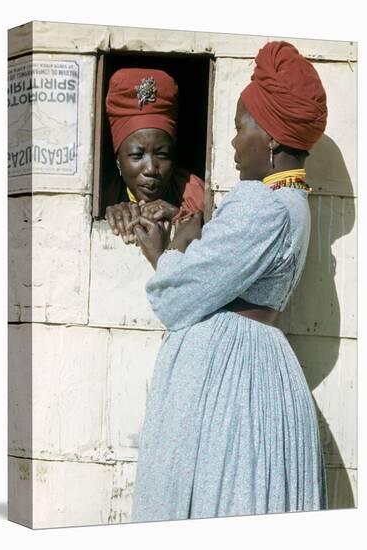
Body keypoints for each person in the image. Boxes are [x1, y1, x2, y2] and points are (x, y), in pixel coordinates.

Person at [128, 41, 328, 521]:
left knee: (214, 495)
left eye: (241, 129)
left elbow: (178, 296)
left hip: (228, 378)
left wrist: (168, 247)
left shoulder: (260, 204)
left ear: (272, 138)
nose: (235, 143)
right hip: (255, 364)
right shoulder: (295, 204)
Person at [104, 68, 205, 244]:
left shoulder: (198, 196)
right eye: (137, 155)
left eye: (163, 154)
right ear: (118, 159)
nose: (151, 169)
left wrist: (180, 216)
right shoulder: (104, 196)